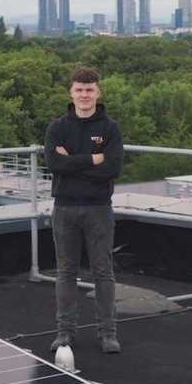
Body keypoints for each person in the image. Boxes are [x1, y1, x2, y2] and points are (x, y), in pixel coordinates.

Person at [44, 67, 125, 353]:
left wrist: (73, 164)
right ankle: (65, 333)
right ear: (71, 92)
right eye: (79, 89)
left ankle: (108, 334)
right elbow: (54, 165)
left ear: (98, 92)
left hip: (99, 209)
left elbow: (112, 169)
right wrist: (93, 159)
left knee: (103, 271)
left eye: (89, 90)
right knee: (66, 272)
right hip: (65, 208)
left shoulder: (110, 129)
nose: (84, 95)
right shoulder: (57, 128)